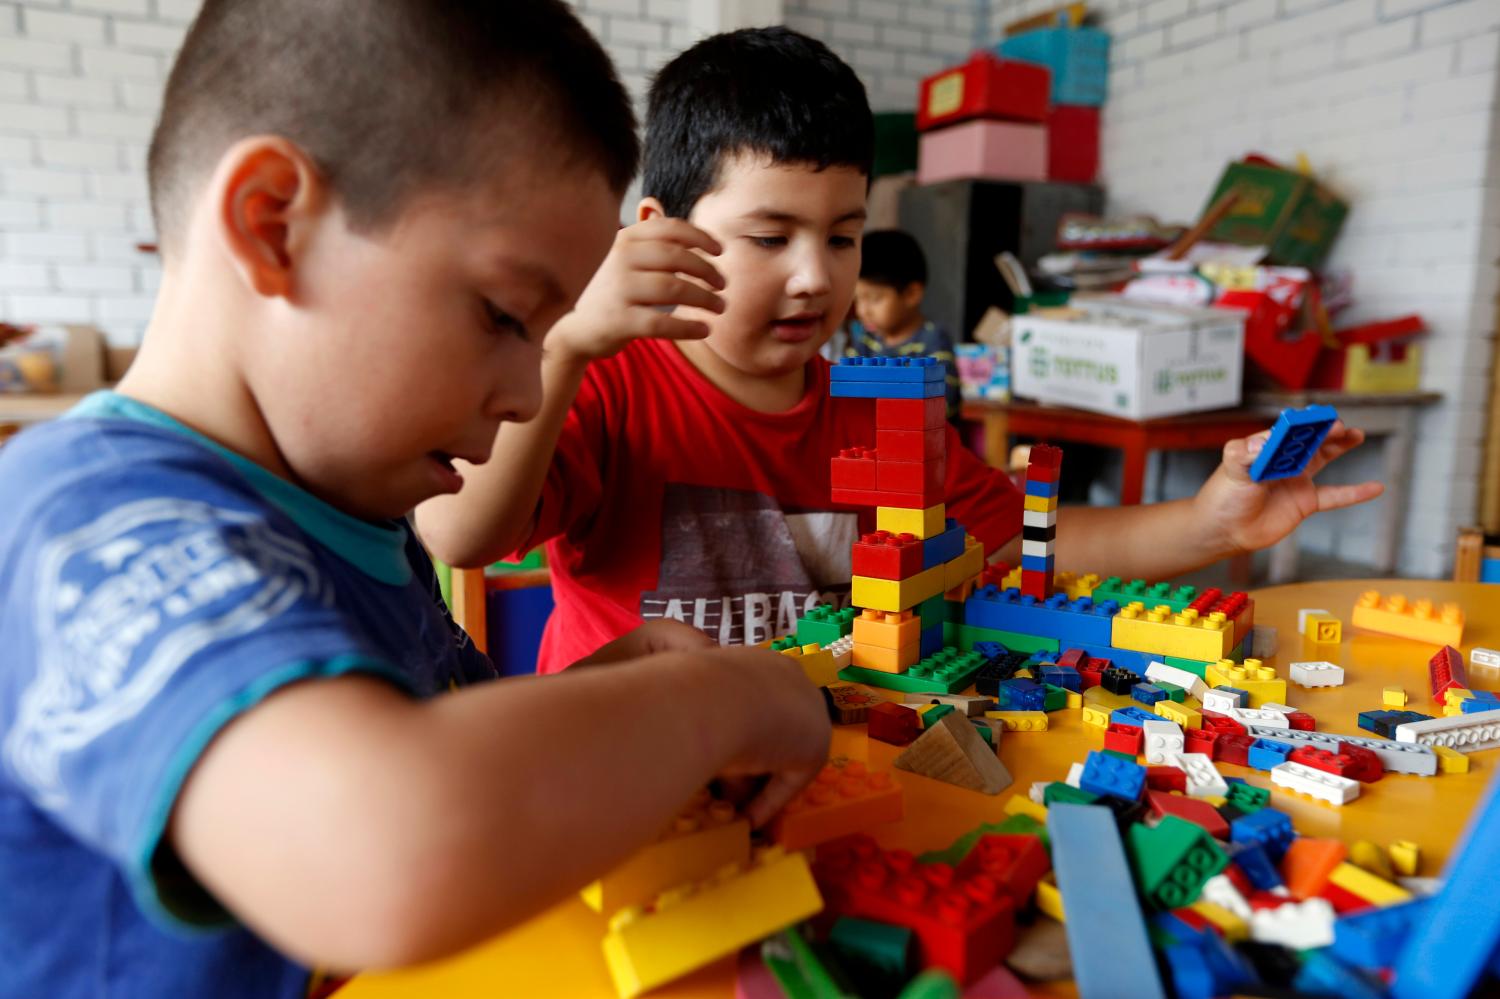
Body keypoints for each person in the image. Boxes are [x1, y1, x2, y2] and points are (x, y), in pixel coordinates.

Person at [0, 4, 829, 997]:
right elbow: (382, 850)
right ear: (273, 224)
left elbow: (431, 757)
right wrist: (723, 700)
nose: (529, 394)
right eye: (505, 316)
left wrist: (594, 698)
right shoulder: (91, 522)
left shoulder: (354, 513)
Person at [416, 26, 1383, 676]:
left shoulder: (878, 400)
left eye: (843, 236)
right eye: (769, 236)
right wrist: (571, 344)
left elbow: (1018, 542)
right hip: (638, 768)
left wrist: (1213, 524)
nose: (813, 276)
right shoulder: (608, 384)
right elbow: (462, 539)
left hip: (829, 755)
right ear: (662, 231)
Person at [846, 229, 961, 418]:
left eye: (874, 299)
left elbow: (943, 404)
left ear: (911, 294)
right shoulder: (865, 340)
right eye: (857, 299)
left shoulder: (932, 341)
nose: (862, 310)